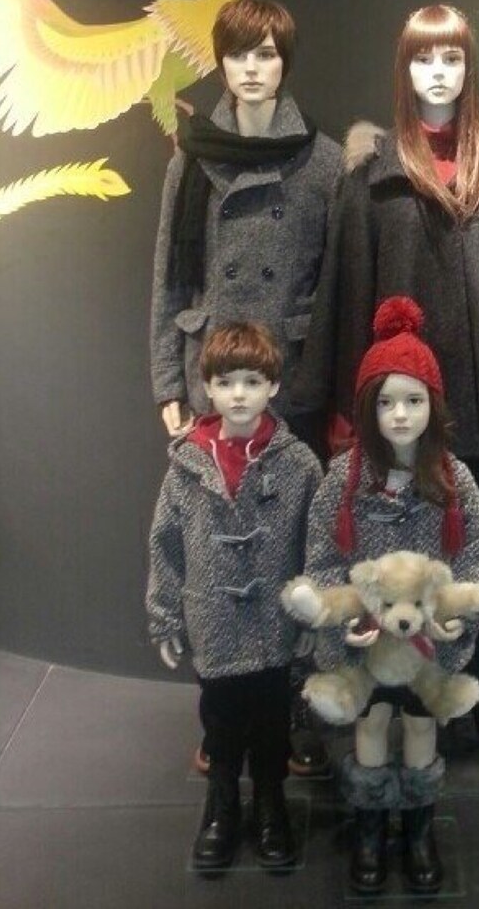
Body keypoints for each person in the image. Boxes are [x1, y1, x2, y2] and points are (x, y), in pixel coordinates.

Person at [292, 3, 479, 778]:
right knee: (398, 563)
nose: (438, 73)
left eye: (451, 58)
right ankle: (403, 703)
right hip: (399, 408)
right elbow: (346, 292)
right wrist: (343, 406)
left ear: (469, 67)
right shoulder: (373, 175)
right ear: (404, 68)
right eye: (423, 58)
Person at [149, 0, 340, 776]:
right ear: (221, 62)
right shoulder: (191, 157)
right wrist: (167, 374)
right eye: (239, 54)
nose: (252, 69)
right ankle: (223, 715)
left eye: (266, 54)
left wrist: (325, 379)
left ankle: (292, 709)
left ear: (284, 62)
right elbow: (169, 275)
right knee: (216, 556)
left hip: (290, 380)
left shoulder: (322, 161)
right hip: (213, 376)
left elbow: (335, 285)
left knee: (295, 548)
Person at [301, 296, 479, 893]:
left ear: (433, 405)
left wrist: (456, 616)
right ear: (368, 408)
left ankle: (417, 826)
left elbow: (477, 548)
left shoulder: (453, 479)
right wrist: (344, 621)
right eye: (386, 403)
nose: (401, 415)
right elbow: (322, 559)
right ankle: (369, 824)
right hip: (367, 641)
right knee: (371, 720)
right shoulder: (343, 480)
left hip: (426, 644)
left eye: (413, 401)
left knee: (418, 724)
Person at [146, 321, 323, 872]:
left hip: (275, 622)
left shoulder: (299, 465)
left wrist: (314, 616)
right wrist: (164, 615)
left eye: (252, 381)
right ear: (207, 388)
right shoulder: (187, 464)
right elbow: (165, 542)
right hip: (213, 618)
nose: (239, 395)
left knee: (271, 720)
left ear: (274, 385)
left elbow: (317, 546)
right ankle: (220, 805)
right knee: (220, 719)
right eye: (225, 383)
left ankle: (270, 803)